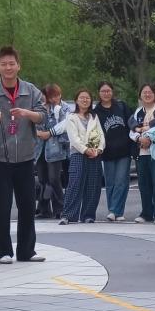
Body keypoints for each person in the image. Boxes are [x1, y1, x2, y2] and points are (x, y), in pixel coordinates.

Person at [0, 46, 47, 264]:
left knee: (27, 205)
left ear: (18, 66)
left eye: (11, 63)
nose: (8, 67)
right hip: (0, 159)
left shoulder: (30, 91)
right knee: (1, 206)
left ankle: (27, 251)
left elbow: (42, 116)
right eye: (4, 64)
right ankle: (3, 251)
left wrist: (27, 113)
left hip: (26, 157)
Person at [60, 89, 104, 224]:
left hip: (94, 154)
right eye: (82, 98)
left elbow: (101, 135)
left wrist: (99, 149)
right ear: (76, 100)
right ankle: (68, 215)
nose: (85, 100)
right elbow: (74, 139)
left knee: (93, 185)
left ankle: (88, 215)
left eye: (87, 98)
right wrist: (85, 150)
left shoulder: (94, 117)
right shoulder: (71, 117)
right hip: (78, 154)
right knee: (75, 184)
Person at [94, 82, 132, 222]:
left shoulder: (121, 106)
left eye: (108, 90)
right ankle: (115, 211)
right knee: (110, 183)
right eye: (103, 91)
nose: (106, 93)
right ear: (99, 93)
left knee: (121, 181)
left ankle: (115, 210)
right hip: (107, 151)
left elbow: (131, 123)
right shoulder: (96, 111)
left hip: (124, 150)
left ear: (112, 92)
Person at [130, 84, 155, 225]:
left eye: (150, 92)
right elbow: (131, 131)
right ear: (140, 95)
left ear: (154, 94)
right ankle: (146, 213)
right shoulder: (138, 112)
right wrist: (139, 139)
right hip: (141, 153)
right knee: (144, 184)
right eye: (144, 92)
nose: (147, 95)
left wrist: (150, 139)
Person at [35, 84, 70, 220]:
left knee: (54, 178)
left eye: (57, 95)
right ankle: (44, 209)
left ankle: (61, 208)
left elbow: (64, 125)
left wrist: (48, 133)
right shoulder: (41, 107)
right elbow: (35, 124)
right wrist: (39, 133)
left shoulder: (65, 108)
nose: (54, 99)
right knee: (42, 179)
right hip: (40, 148)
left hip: (56, 148)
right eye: (51, 96)